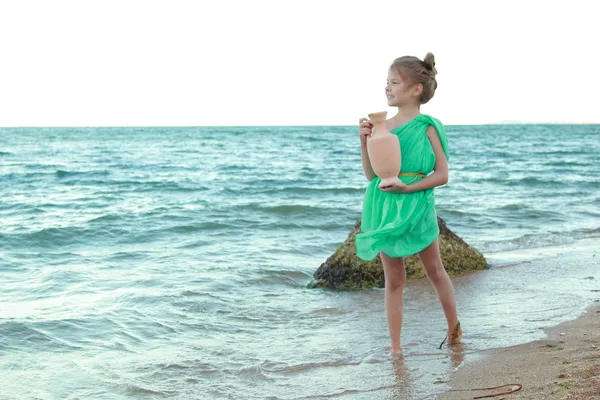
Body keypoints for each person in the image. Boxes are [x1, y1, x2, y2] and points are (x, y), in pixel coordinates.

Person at [355, 52, 461, 356]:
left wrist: (409, 187)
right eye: (386, 82)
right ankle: (396, 347)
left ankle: (454, 330)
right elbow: (372, 175)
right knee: (395, 279)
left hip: (416, 202)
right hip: (385, 204)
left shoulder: (427, 126)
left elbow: (442, 175)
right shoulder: (380, 127)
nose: (387, 88)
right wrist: (364, 143)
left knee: (434, 270)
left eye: (394, 82)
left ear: (415, 89)